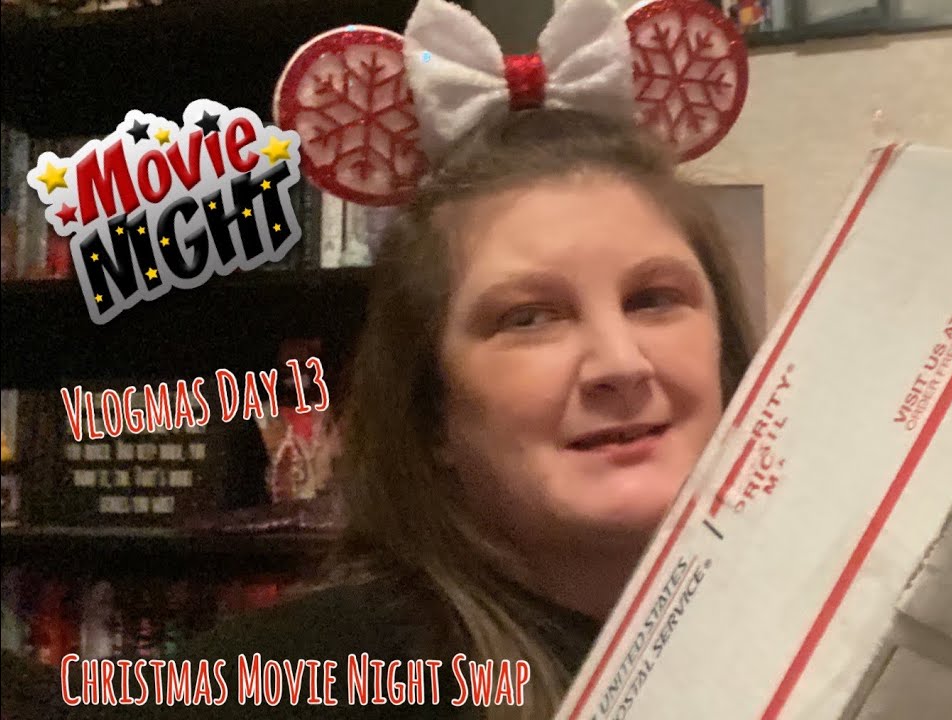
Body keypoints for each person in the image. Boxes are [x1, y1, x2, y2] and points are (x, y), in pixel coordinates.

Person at [63, 106, 757, 720]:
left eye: (654, 299)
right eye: (529, 317)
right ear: (430, 411)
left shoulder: (803, 625)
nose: (621, 364)